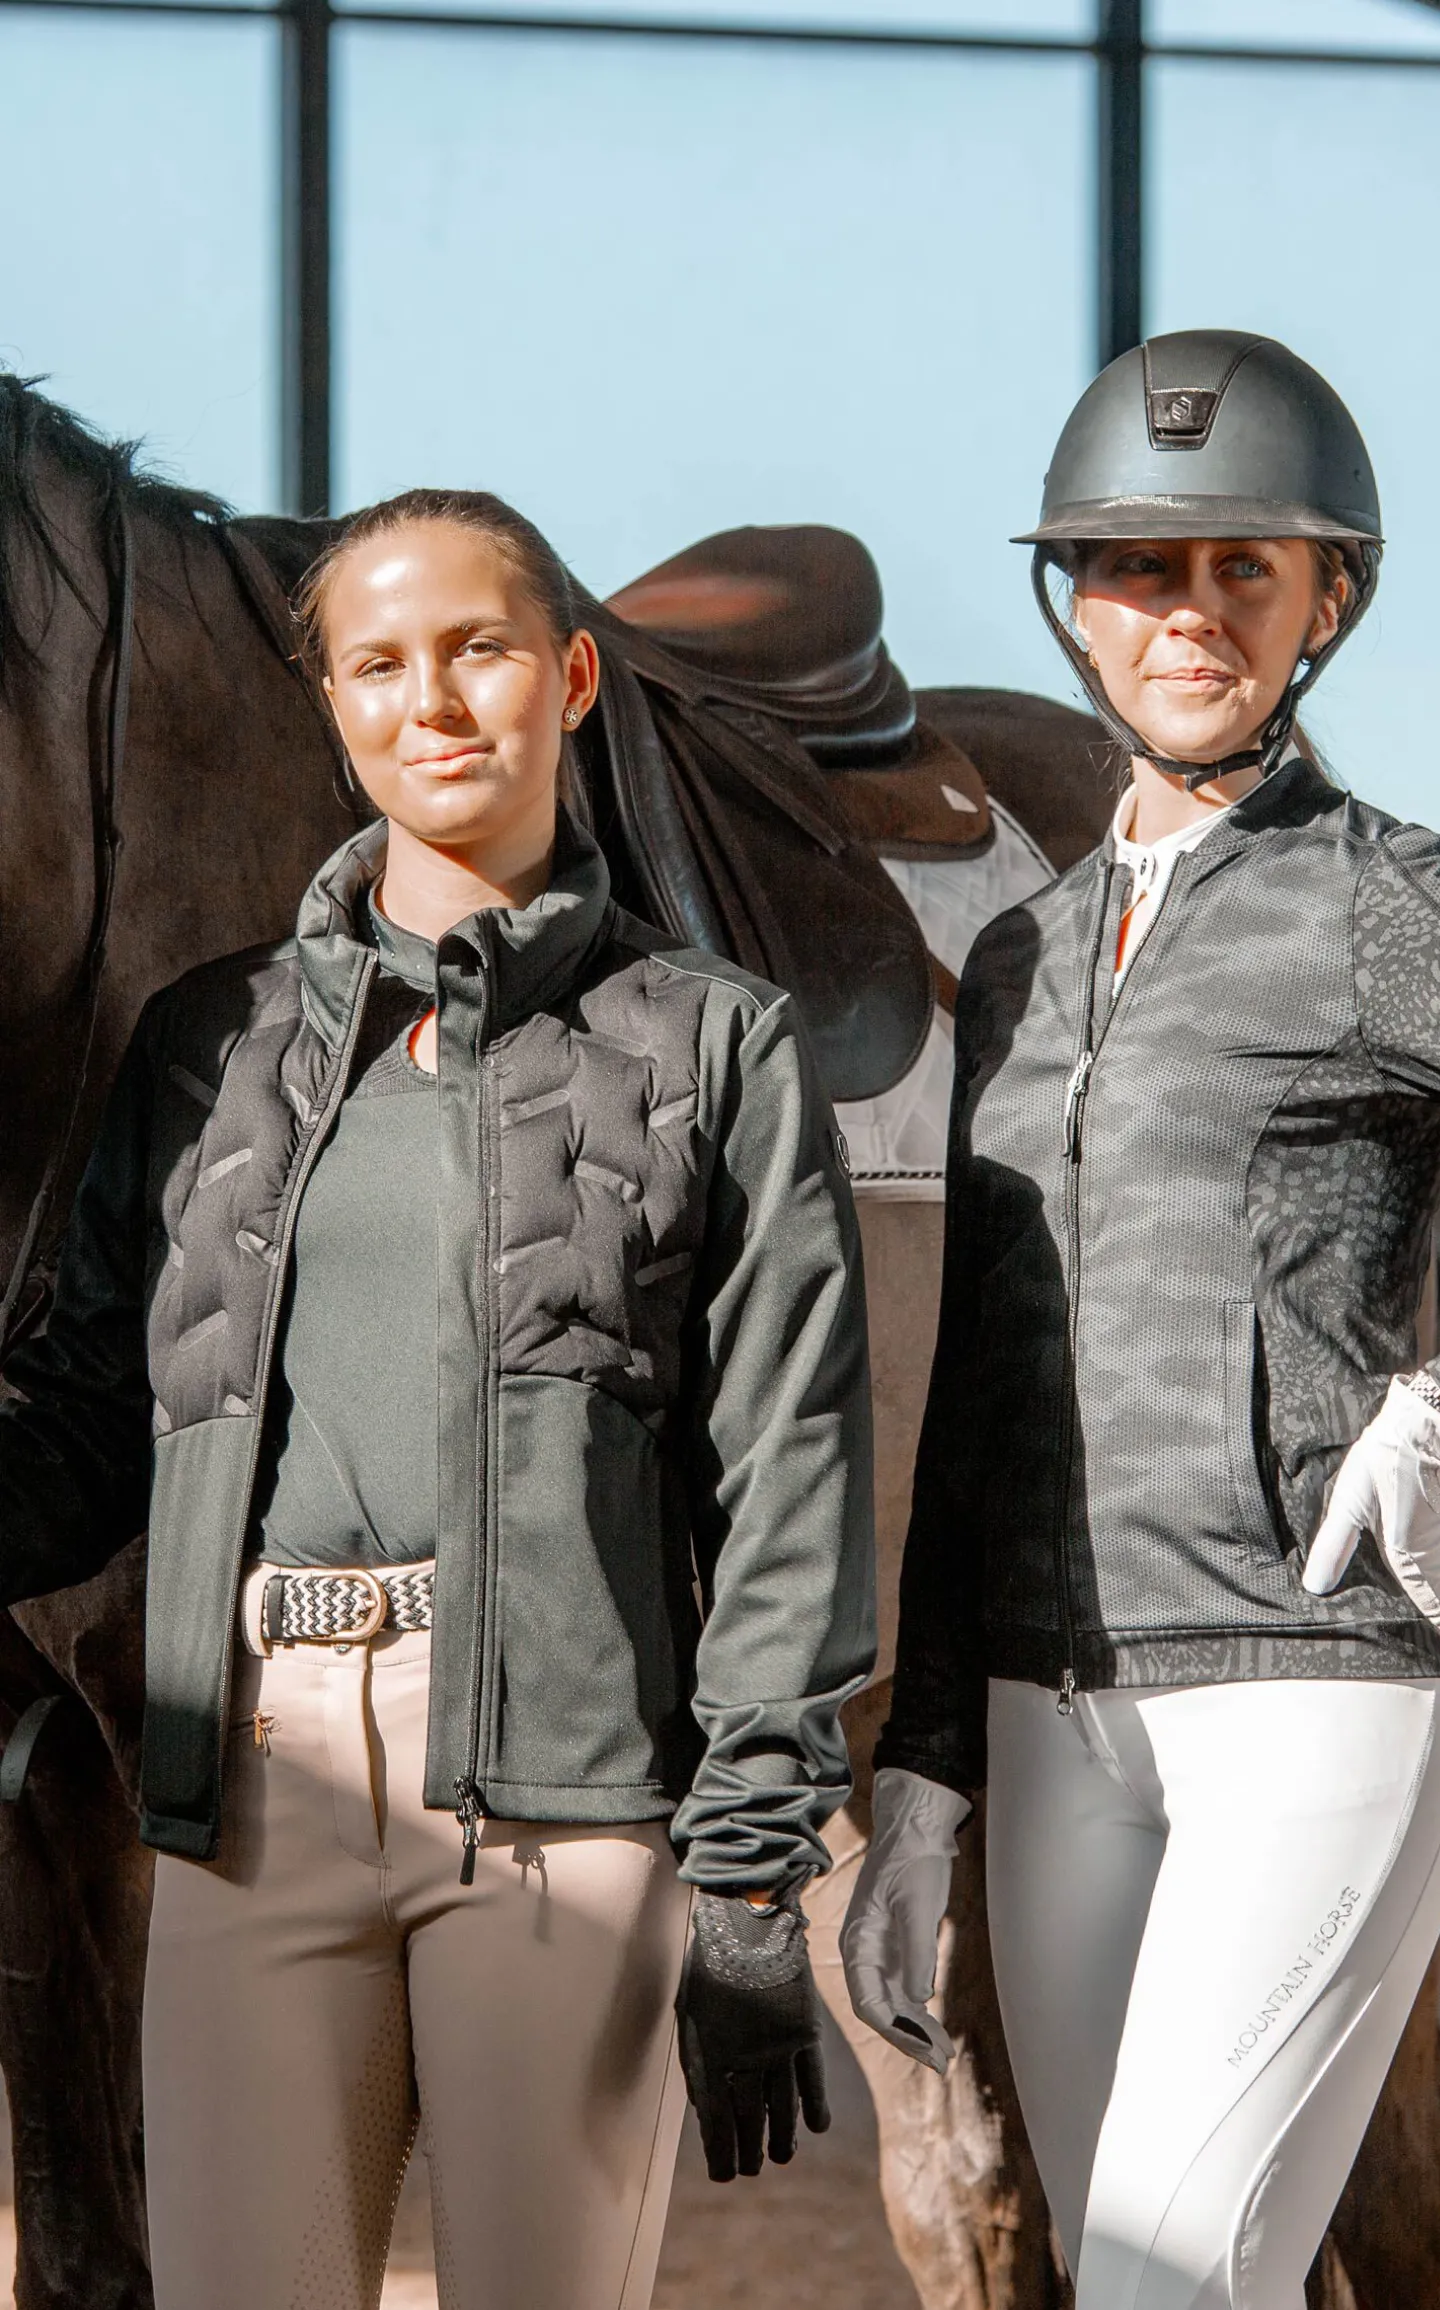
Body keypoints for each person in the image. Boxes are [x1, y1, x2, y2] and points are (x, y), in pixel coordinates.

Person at [0, 488, 875, 2310]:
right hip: (250, 1790)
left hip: (564, 1808)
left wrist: (747, 1879)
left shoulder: (715, 1038)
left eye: (480, 648)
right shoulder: (202, 1042)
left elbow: (786, 1477)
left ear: (571, 677)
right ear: (333, 707)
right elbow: (78, 1436)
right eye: (380, 664)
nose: (436, 700)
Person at [840, 330, 1440, 2308]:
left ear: (1330, 601)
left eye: (1246, 568)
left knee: (1173, 2279)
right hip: (1055, 1725)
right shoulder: (1020, 955)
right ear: (1073, 603)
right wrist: (924, 1769)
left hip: (1312, 1691)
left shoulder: (1388, 900)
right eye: (1138, 567)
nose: (1188, 612)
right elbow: (984, 1397)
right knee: (1116, 2271)